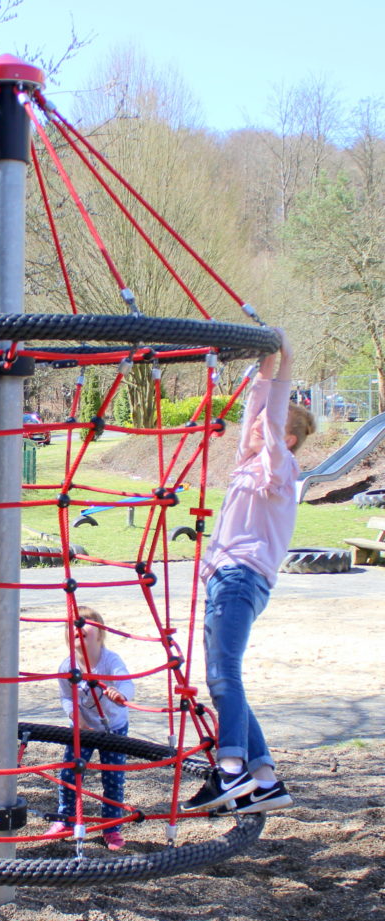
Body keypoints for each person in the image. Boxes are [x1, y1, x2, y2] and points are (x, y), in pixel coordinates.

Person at [181, 330, 315, 815]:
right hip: (223, 578)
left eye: (267, 426)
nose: (256, 427)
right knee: (224, 680)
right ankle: (265, 779)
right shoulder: (248, 465)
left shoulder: (281, 472)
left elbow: (272, 417)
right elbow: (255, 410)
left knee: (223, 676)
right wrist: (266, 364)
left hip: (241, 578)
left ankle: (230, 770)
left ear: (288, 438)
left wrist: (288, 359)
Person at [48, 606, 135, 850]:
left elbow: (128, 683)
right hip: (83, 728)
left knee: (113, 778)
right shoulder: (67, 667)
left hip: (113, 728)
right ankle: (66, 820)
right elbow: (67, 698)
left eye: (85, 622)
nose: (78, 626)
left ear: (101, 633)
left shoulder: (110, 660)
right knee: (69, 774)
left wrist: (120, 694)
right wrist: (78, 720)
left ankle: (111, 828)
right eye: (72, 625)